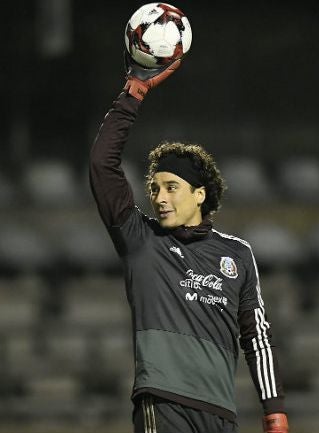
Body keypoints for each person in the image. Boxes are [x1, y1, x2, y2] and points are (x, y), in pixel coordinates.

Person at [89, 54, 289, 433]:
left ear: (199, 195)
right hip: (163, 406)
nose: (160, 198)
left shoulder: (237, 255)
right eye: (154, 189)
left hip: (220, 415)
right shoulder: (141, 240)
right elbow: (102, 165)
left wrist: (273, 408)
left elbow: (257, 338)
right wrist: (134, 92)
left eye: (171, 187)